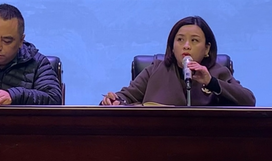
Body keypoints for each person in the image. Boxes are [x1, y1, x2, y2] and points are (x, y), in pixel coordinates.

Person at [101, 16, 256, 106]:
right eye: (180, 40)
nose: (186, 46)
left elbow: (249, 101)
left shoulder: (217, 72)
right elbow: (126, 96)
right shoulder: (155, 69)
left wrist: (211, 82)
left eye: (194, 40)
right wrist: (114, 101)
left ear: (207, 49)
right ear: (172, 46)